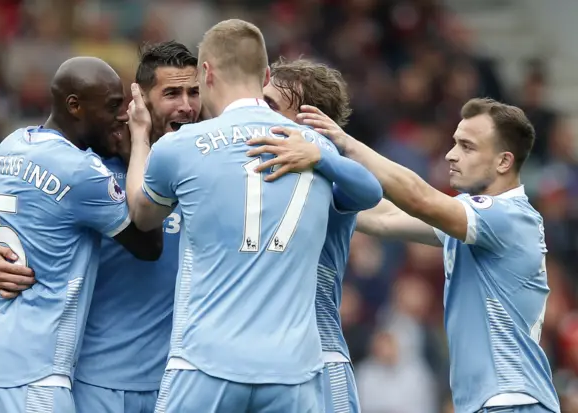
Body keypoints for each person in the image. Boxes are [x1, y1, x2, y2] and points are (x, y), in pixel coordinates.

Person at [125, 19, 382, 413]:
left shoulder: (180, 146)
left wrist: (141, 137)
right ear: (265, 75)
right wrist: (324, 157)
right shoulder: (308, 145)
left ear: (206, 73)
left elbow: (142, 216)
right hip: (293, 371)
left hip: (204, 364)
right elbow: (370, 191)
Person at [249, 99, 561, 413]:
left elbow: (419, 197)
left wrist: (340, 146)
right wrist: (307, 186)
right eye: (454, 143)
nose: (451, 155)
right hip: (493, 403)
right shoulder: (474, 220)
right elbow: (385, 217)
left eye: (467, 147)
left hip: (514, 401)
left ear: (504, 162)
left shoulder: (508, 217)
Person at [0, 42, 200, 413]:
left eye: (194, 93)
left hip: (180, 378)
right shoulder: (94, 164)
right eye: (172, 93)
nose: (186, 106)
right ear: (138, 101)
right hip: (96, 380)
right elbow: (14, 221)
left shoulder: (208, 165)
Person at [263, 58, 362, 413]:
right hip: (259, 363)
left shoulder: (333, 180)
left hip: (321, 359)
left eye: (271, 105)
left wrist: (322, 153)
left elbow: (369, 188)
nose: (258, 111)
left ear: (307, 121)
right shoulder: (250, 173)